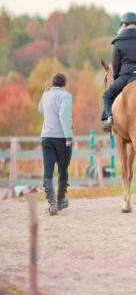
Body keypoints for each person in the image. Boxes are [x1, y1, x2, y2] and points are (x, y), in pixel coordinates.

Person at [101, 12, 136, 132]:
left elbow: (115, 64)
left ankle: (109, 119)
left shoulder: (119, 41)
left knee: (107, 95)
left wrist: (116, 77)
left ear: (124, 24)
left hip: (127, 75)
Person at [39, 73, 73, 215]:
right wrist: (68, 137)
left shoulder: (46, 94)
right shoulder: (66, 96)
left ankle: (52, 204)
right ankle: (60, 201)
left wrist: (44, 92)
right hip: (61, 139)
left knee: (48, 171)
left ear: (53, 83)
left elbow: (40, 110)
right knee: (63, 169)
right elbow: (63, 116)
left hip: (46, 136)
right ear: (64, 84)